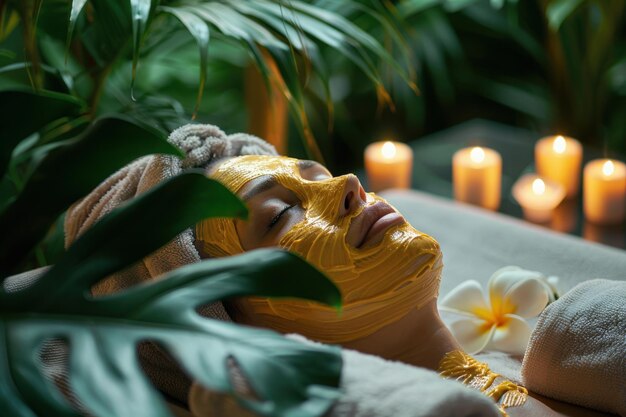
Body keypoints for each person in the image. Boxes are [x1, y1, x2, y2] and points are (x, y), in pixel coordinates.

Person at [66, 125, 621, 417]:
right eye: (282, 213)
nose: (347, 185)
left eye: (321, 174)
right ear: (235, 323)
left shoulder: (577, 354)